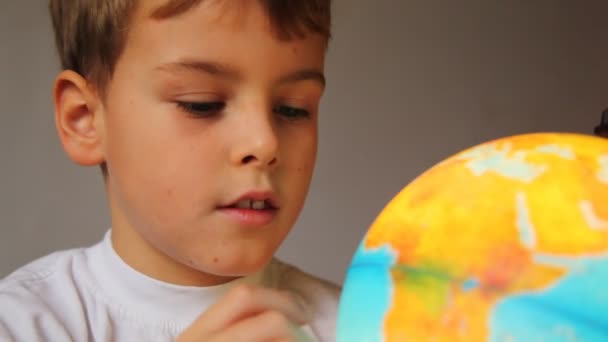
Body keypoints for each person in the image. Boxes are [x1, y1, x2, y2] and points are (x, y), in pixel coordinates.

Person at [0, 0, 340, 341]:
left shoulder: (365, 326)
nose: (265, 143)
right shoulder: (21, 324)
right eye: (201, 104)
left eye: (292, 109)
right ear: (85, 118)